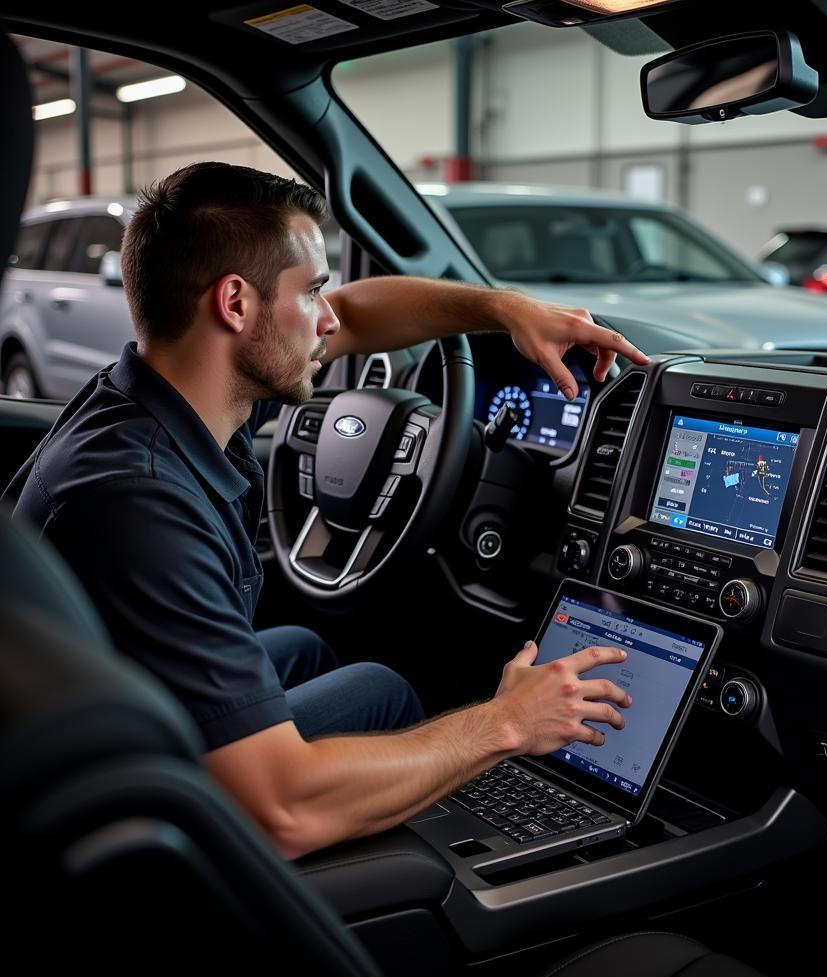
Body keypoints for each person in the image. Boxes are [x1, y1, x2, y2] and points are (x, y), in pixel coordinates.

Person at [5, 161, 650, 860]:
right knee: (383, 691)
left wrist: (503, 309)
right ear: (234, 304)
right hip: (120, 824)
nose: (330, 317)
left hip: (102, 729)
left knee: (306, 648)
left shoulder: (157, 391)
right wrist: (507, 724)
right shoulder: (143, 501)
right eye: (312, 291)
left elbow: (361, 313)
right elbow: (279, 811)